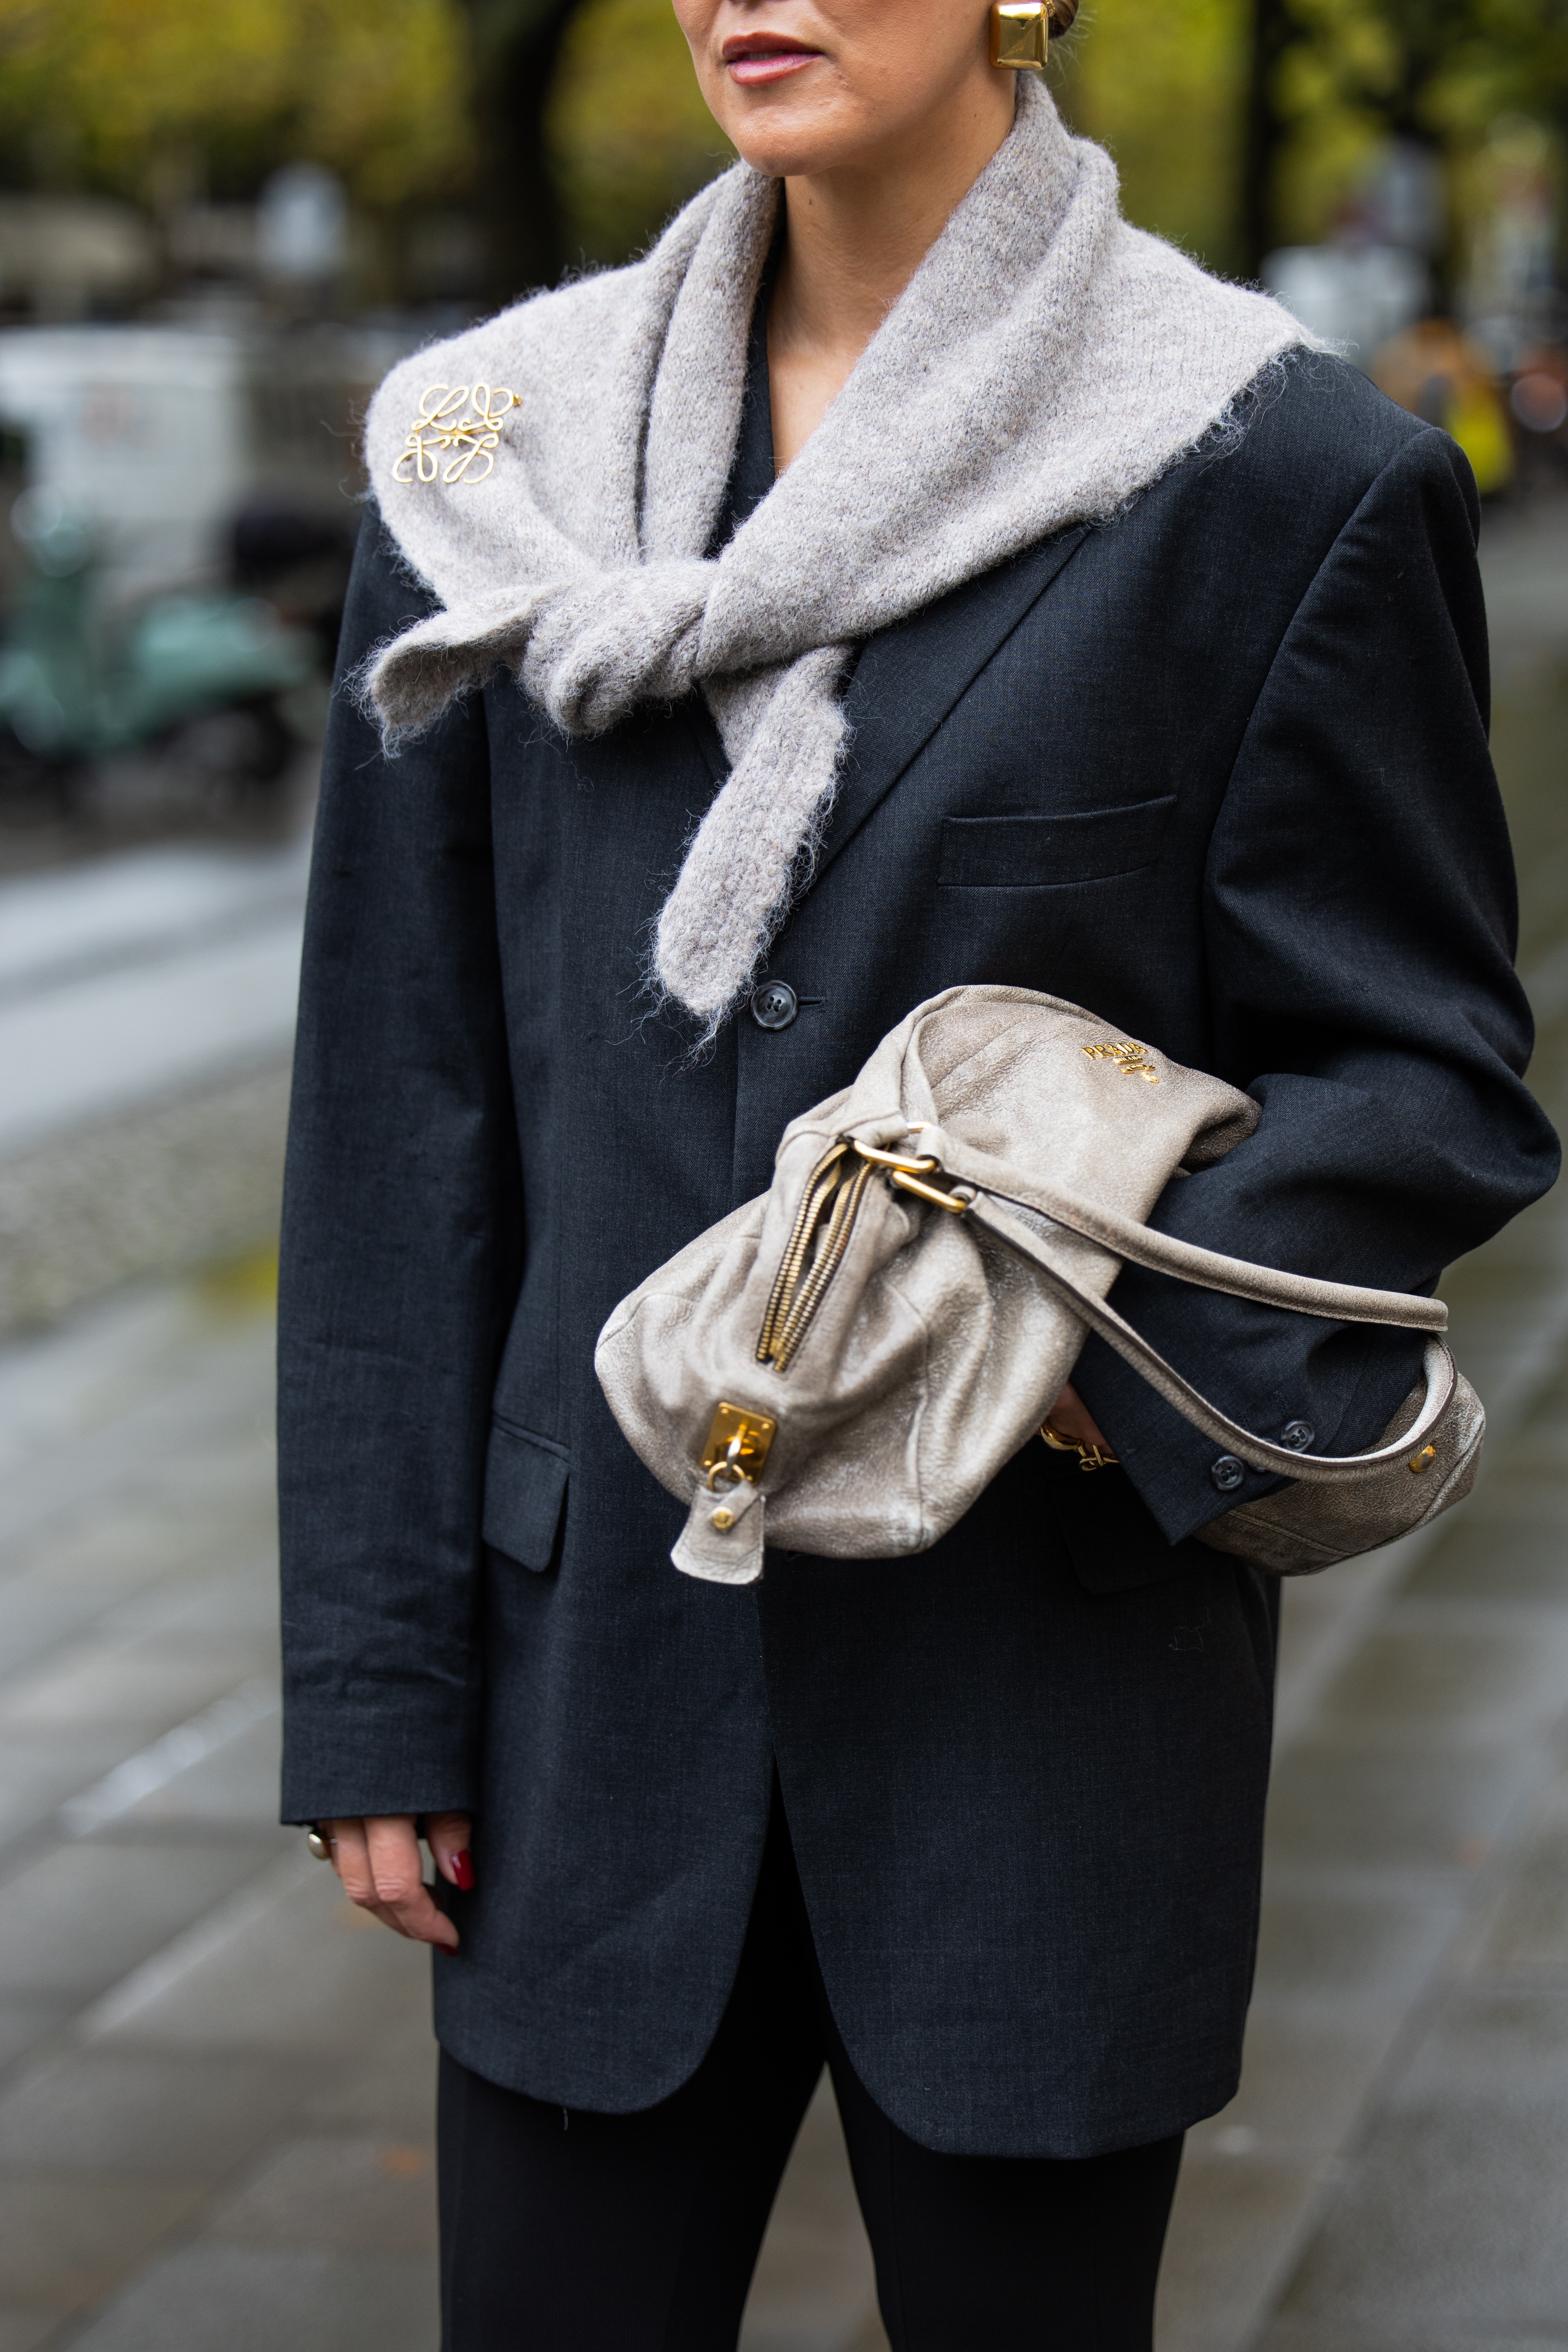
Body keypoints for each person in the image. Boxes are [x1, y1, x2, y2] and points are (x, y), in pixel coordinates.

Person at [277, 3, 1559, 2345]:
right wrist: (378, 1692)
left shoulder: (1274, 471)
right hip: (582, 1714)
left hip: (1044, 1714)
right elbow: (396, 1106)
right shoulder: (490, 461)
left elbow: (1429, 1070)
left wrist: (1087, 1353)